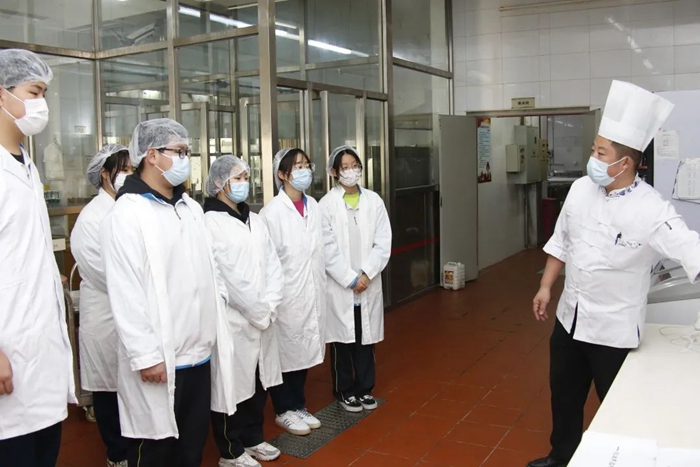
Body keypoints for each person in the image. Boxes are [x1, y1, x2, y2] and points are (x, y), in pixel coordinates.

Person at [528, 80, 700, 467]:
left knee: (620, 407)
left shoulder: (650, 209)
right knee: (564, 397)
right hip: (570, 320)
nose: (592, 157)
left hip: (614, 331)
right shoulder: (580, 190)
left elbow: (690, 247)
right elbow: (561, 242)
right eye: (594, 149)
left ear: (625, 163)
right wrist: (545, 286)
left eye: (600, 152)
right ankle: (561, 457)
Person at [100, 118, 236, 467]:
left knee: (191, 448)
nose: (184, 159)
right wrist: (146, 356)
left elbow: (211, 269)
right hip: (160, 359)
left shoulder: (190, 209)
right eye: (178, 151)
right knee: (154, 451)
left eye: (186, 152)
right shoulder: (128, 213)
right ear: (151, 155)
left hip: (199, 354)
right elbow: (126, 291)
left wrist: (217, 305)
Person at [0, 49, 76, 467]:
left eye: (44, 93)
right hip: (8, 351)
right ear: (2, 94)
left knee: (43, 450)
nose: (41, 104)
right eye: (34, 92)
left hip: (38, 353)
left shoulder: (26, 165)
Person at [204, 155, 285, 467]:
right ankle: (230, 450)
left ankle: (253, 438)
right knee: (230, 386)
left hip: (263, 317)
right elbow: (227, 277)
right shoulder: (209, 223)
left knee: (257, 382)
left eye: (246, 177)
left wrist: (270, 305)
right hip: (234, 320)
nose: (244, 183)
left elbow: (273, 264)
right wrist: (257, 311)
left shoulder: (255, 219)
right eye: (237, 178)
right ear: (219, 183)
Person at [71, 144, 134, 467]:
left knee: (133, 390)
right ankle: (117, 455)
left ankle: (134, 451)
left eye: (132, 170)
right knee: (110, 391)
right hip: (106, 317)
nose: (129, 176)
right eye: (124, 170)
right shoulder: (91, 218)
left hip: (133, 315)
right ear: (105, 174)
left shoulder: (130, 209)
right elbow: (106, 274)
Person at [260, 148, 326, 436]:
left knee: (304, 350)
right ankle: (283, 409)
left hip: (311, 290)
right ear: (282, 174)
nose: (304, 171)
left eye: (306, 165)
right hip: (286, 296)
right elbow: (266, 260)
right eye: (297, 166)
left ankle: (298, 405)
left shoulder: (314, 206)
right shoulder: (271, 213)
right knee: (285, 352)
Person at [320, 146, 391, 412]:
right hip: (341, 286)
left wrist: (367, 274)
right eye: (345, 167)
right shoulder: (326, 205)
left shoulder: (374, 200)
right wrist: (350, 279)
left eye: (355, 165)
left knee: (365, 340)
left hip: (368, 283)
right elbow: (327, 248)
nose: (351, 171)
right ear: (334, 171)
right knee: (342, 342)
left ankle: (365, 389)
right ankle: (344, 391)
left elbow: (383, 241)